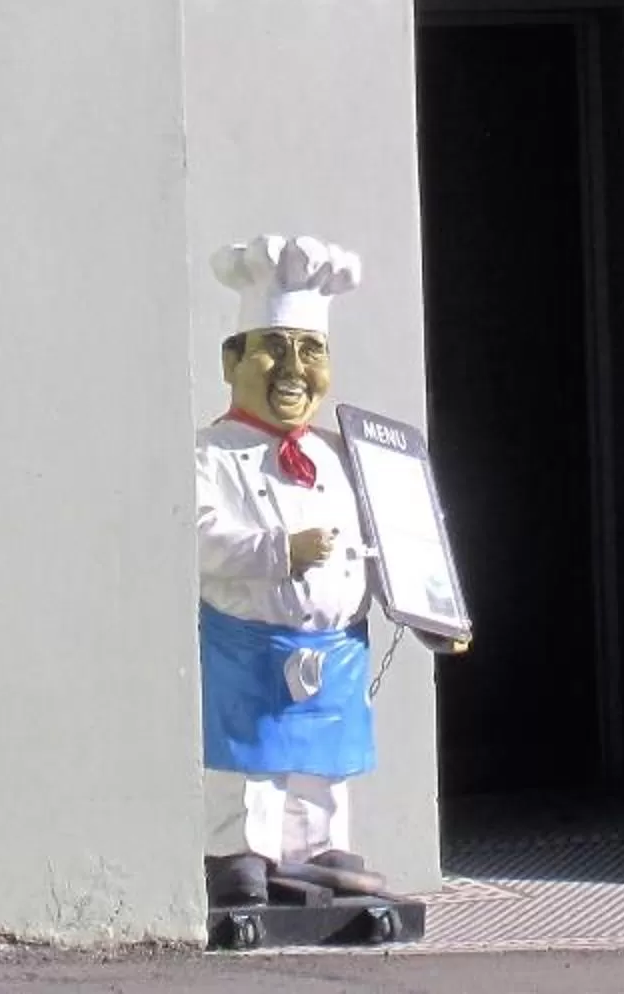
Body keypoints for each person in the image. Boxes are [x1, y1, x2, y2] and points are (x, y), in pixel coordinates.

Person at [197, 232, 385, 909]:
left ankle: (320, 852)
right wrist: (280, 551)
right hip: (248, 645)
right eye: (273, 347)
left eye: (311, 352)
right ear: (232, 360)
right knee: (250, 759)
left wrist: (429, 605)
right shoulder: (210, 455)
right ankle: (243, 854)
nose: (293, 370)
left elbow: (391, 534)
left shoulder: (345, 455)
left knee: (322, 761)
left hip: (334, 648)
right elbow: (200, 538)